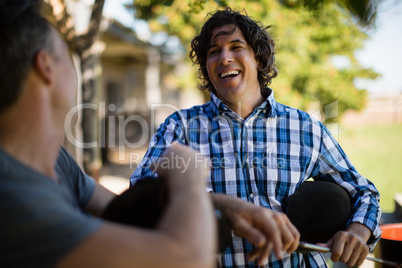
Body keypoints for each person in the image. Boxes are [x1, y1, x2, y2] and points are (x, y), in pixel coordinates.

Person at [0, 1, 298, 267]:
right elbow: (183, 260)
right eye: (66, 51)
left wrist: (226, 205)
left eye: (236, 47)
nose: (224, 58)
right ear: (46, 67)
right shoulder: (14, 200)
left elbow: (126, 211)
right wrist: (189, 177)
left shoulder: (58, 163)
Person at [131, 7, 382, 268]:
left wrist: (358, 232)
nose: (224, 58)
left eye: (236, 46)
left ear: (258, 59)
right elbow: (141, 194)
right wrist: (214, 203)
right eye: (213, 52)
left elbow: (364, 192)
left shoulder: (305, 127)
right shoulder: (180, 127)